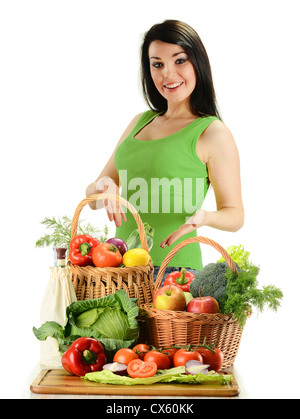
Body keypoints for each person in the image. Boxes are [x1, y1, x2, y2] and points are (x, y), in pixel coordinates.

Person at [86, 20, 244, 283]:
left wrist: (204, 217)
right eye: (157, 64)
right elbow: (92, 200)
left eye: (179, 60)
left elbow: (235, 214)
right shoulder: (139, 122)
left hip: (174, 272)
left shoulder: (212, 132)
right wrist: (103, 185)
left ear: (198, 63)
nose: (168, 74)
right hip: (117, 265)